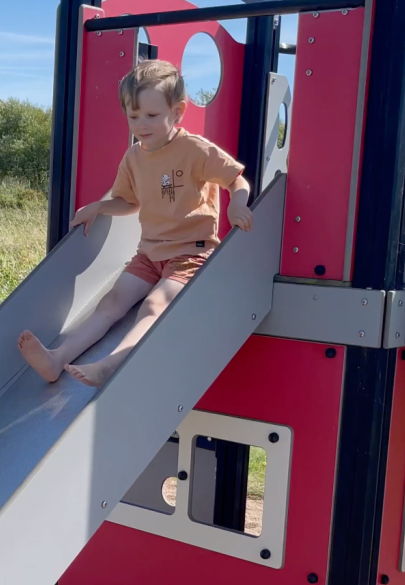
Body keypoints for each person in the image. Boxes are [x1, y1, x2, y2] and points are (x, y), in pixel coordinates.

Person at [18, 59, 253, 388]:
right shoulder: (134, 157)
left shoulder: (195, 150)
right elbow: (129, 202)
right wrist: (99, 207)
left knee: (155, 304)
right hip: (149, 253)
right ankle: (57, 358)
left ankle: (113, 364)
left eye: (152, 116)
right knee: (112, 303)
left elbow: (236, 180)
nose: (142, 124)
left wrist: (238, 204)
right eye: (134, 116)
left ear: (178, 111)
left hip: (190, 254)